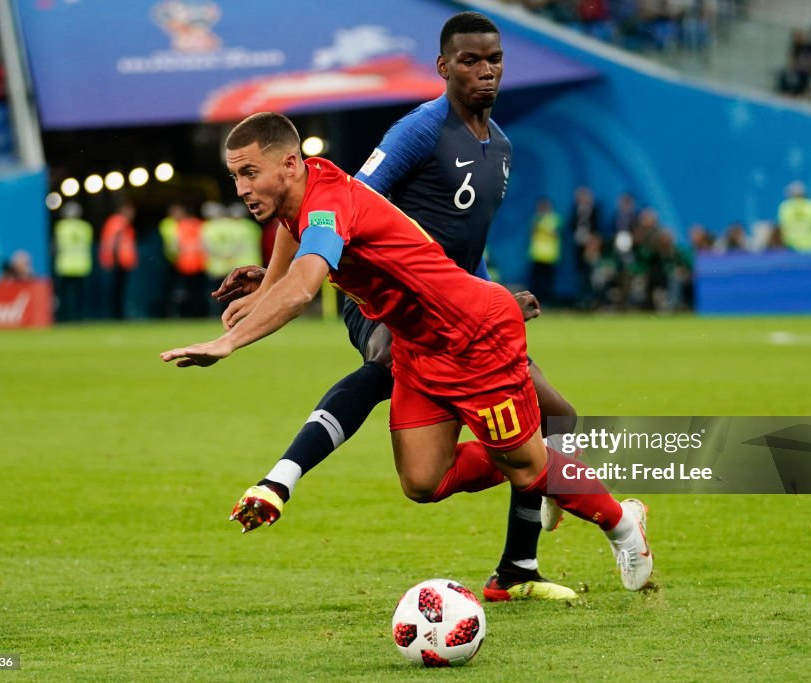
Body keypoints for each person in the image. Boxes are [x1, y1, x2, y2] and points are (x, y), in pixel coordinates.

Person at [160, 112, 654, 596]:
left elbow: (302, 292)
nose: (241, 188)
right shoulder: (303, 192)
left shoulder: (328, 204)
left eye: (250, 173)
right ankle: (549, 465)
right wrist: (264, 289)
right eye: (235, 176)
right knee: (422, 481)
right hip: (419, 347)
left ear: (289, 164)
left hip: (474, 337)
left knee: (525, 465)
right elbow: (291, 237)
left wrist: (227, 343)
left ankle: (622, 523)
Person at [212, 13, 585, 603]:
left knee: (556, 414)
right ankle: (282, 478)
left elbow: (464, 247)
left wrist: (492, 300)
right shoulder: (418, 131)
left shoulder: (503, 148)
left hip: (460, 310)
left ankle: (518, 567)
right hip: (381, 304)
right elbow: (324, 202)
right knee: (389, 359)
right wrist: (274, 280)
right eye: (470, 60)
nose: (485, 71)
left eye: (494, 60)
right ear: (444, 67)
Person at [53, 202, 93, 321]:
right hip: (82, 266)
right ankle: (80, 318)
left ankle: (66, 318)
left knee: (66, 296)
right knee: (81, 296)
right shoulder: (85, 227)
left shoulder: (60, 227)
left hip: (65, 266)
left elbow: (54, 247)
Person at [99, 200, 138, 320]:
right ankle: (118, 316)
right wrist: (115, 259)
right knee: (117, 291)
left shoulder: (119, 222)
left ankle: (118, 315)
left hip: (121, 262)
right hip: (118, 262)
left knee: (118, 291)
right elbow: (115, 241)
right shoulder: (119, 222)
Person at [527, 196, 561, 307]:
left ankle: (548, 302)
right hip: (537, 254)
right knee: (535, 281)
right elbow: (532, 233)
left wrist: (544, 227)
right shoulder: (535, 218)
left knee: (548, 282)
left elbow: (555, 233)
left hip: (549, 255)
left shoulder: (554, 218)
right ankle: (534, 301)